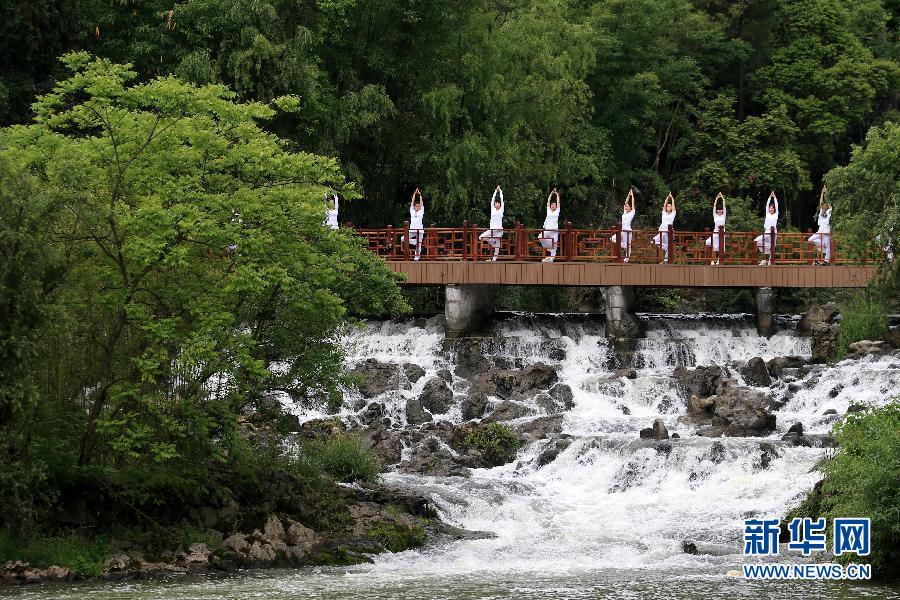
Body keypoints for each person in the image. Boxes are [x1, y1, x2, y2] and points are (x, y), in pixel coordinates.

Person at [807, 185, 831, 265]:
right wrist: (822, 192)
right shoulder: (821, 212)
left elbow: (829, 203)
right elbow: (820, 202)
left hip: (827, 232)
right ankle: (821, 247)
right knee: (810, 240)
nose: (824, 207)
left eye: (825, 206)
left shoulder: (829, 212)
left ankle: (826, 260)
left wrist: (826, 194)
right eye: (823, 206)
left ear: (827, 207)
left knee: (828, 247)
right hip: (820, 231)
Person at [479, 185, 505, 261]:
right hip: (491, 230)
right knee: (481, 237)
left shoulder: (501, 210)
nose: (497, 204)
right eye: (496, 203)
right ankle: (491, 240)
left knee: (497, 246)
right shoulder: (492, 210)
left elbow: (502, 200)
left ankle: (494, 259)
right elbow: (492, 200)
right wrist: (495, 191)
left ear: (500, 205)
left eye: (498, 203)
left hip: (498, 230)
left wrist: (500, 191)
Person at [611, 187, 636, 262]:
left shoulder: (632, 213)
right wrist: (629, 194)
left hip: (628, 230)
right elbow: (625, 202)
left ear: (630, 208)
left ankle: (626, 259)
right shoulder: (625, 213)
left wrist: (632, 196)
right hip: (622, 230)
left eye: (627, 206)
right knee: (612, 239)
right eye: (626, 206)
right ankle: (624, 246)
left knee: (628, 245)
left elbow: (633, 204)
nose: (626, 207)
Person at [754, 191, 779, 265]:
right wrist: (769, 197)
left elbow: (777, 205)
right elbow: (767, 205)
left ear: (774, 209)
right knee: (758, 241)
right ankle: (764, 260)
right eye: (770, 208)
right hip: (767, 231)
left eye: (772, 208)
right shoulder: (767, 214)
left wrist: (774, 197)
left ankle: (770, 260)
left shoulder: (776, 215)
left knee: (772, 245)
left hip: (773, 232)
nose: (771, 209)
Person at [651, 193, 676, 263]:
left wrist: (672, 198)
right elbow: (664, 205)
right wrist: (667, 198)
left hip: (669, 232)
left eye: (669, 206)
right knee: (653, 241)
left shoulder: (673, 214)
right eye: (667, 206)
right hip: (662, 231)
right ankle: (665, 247)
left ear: (671, 208)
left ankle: (665, 260)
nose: (668, 207)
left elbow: (674, 206)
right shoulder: (664, 213)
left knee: (669, 246)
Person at [705, 192, 727, 265]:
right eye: (718, 209)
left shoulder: (724, 215)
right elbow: (714, 207)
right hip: (715, 231)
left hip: (722, 232)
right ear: (717, 210)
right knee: (714, 245)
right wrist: (717, 198)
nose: (719, 210)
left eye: (721, 209)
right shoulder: (715, 215)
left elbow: (724, 206)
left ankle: (719, 260)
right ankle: (712, 260)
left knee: (721, 246)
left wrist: (722, 198)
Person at [540, 188, 561, 262]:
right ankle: (549, 247)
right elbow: (548, 201)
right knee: (540, 236)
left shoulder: (557, 211)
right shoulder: (548, 211)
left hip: (554, 230)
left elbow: (558, 202)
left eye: (554, 205)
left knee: (554, 244)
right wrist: (552, 193)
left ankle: (551, 258)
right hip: (548, 228)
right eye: (552, 205)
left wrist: (557, 194)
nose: (553, 206)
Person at [404, 188, 425, 261]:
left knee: (418, 245)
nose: (417, 207)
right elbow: (412, 202)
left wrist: (419, 195)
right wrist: (414, 194)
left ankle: (417, 257)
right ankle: (414, 241)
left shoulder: (421, 211)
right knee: (403, 239)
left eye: (418, 206)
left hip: (420, 230)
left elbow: (421, 203)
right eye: (416, 206)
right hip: (412, 229)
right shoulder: (412, 211)